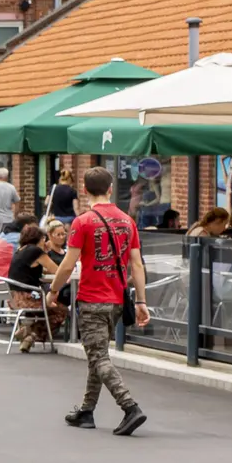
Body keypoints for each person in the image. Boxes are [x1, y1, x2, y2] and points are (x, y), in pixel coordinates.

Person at [49, 166, 150, 436]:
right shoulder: (128, 221)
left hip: (92, 298)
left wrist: (54, 290)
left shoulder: (82, 222)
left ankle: (130, 407)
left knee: (98, 356)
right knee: (98, 353)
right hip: (117, 298)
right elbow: (137, 264)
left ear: (84, 190)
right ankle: (86, 410)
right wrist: (141, 301)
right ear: (110, 188)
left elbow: (69, 264)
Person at [6, 224, 67, 353]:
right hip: (28, 298)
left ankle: (27, 331)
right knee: (60, 310)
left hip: (13, 298)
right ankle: (31, 334)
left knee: (49, 306)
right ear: (40, 239)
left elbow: (35, 269)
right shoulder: (35, 251)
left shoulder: (21, 250)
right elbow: (57, 270)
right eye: (44, 239)